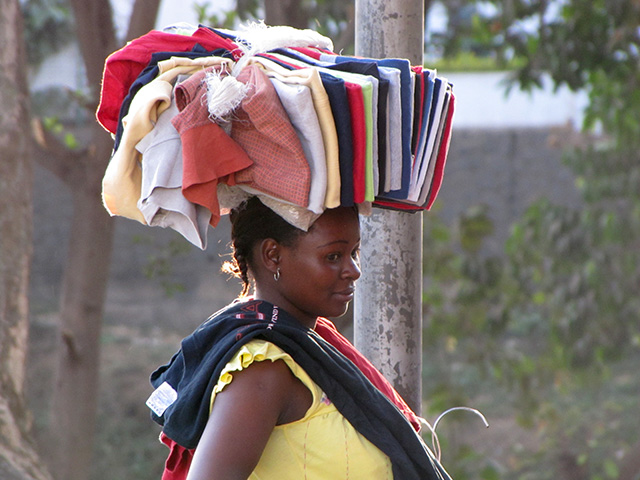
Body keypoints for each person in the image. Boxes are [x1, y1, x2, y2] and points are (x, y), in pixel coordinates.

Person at [146, 196, 451, 480]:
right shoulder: (264, 371)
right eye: (333, 256)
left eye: (353, 253)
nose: (353, 270)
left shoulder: (314, 347)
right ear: (273, 255)